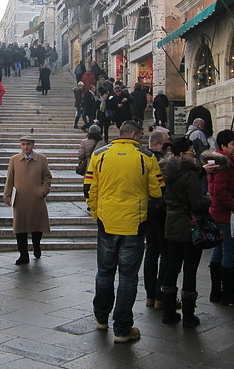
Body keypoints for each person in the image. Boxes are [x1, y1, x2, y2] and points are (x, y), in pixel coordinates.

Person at [85, 121, 164, 343]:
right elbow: (158, 191)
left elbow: (90, 187)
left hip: (106, 221)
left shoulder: (100, 155)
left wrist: (96, 213)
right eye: (138, 135)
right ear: (134, 134)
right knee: (128, 277)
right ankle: (122, 328)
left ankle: (101, 317)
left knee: (104, 272)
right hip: (134, 223)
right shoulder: (147, 157)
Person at [159, 137, 211, 328]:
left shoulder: (167, 172)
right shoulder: (189, 175)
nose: (193, 153)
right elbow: (197, 203)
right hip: (189, 227)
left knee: (172, 267)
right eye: (190, 151)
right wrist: (208, 200)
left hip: (172, 224)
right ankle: (189, 315)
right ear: (182, 154)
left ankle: (168, 311)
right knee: (190, 269)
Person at [202, 130, 234, 307]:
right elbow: (220, 191)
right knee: (228, 252)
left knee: (219, 251)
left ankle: (216, 292)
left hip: (217, 212)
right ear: (223, 146)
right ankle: (227, 294)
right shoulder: (225, 164)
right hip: (225, 214)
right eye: (233, 144)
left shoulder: (216, 162)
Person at [3, 135, 52, 265]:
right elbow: (10, 179)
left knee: (37, 227)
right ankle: (23, 254)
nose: (26, 147)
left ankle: (37, 247)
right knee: (20, 229)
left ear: (33, 145)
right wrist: (7, 195)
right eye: (23, 144)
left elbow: (47, 177)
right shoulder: (14, 160)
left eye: (28, 144)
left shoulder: (41, 159)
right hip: (20, 200)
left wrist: (42, 191)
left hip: (36, 199)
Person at [144, 129, 170, 310]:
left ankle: (150, 296)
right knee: (165, 252)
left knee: (151, 252)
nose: (169, 148)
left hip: (146, 209)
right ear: (156, 144)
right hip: (161, 210)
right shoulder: (161, 161)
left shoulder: (141, 159)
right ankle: (161, 295)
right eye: (166, 144)